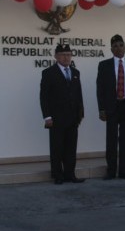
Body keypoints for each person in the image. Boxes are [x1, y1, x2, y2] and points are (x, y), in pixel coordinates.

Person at [97, 34, 125, 180]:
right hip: (111, 106)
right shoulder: (104, 65)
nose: (119, 48)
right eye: (115, 46)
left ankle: (124, 171)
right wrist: (101, 109)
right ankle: (111, 171)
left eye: (121, 45)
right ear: (111, 49)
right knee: (111, 140)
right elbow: (100, 89)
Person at [40, 44, 85, 185]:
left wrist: (80, 114)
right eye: (63, 54)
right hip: (56, 118)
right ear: (56, 56)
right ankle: (57, 175)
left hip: (72, 117)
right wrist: (47, 117)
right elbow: (44, 97)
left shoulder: (75, 72)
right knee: (57, 147)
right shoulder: (48, 73)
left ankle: (70, 174)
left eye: (68, 54)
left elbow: (78, 95)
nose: (66, 57)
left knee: (71, 148)